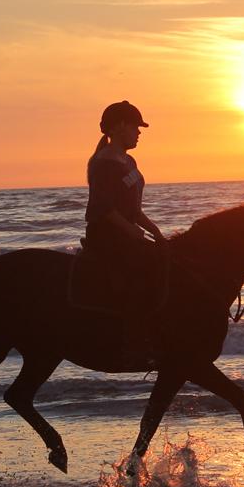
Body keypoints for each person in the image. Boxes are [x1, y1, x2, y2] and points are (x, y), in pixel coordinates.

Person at [84, 101, 167, 354]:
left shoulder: (129, 161)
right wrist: (133, 233)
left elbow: (134, 210)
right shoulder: (104, 162)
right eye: (135, 127)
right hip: (108, 237)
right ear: (120, 126)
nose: (139, 133)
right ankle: (134, 338)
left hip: (127, 234)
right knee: (143, 272)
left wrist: (156, 232)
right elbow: (104, 208)